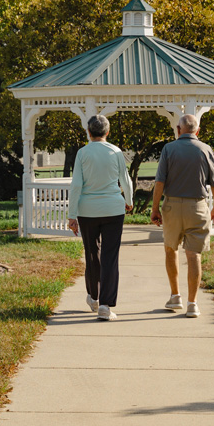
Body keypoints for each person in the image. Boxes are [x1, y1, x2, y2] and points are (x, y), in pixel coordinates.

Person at [150, 114, 214, 318]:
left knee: (170, 249)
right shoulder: (206, 149)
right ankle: (193, 303)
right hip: (198, 207)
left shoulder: (168, 149)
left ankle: (175, 296)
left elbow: (159, 182)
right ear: (197, 131)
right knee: (194, 255)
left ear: (178, 129)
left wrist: (155, 208)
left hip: (172, 205)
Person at [67, 115, 134, 321]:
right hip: (113, 209)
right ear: (108, 131)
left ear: (88, 132)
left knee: (92, 253)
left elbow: (76, 184)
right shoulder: (115, 151)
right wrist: (129, 200)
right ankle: (105, 305)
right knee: (110, 257)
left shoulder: (83, 153)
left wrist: (72, 215)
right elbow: (125, 179)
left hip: (87, 211)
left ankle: (93, 297)